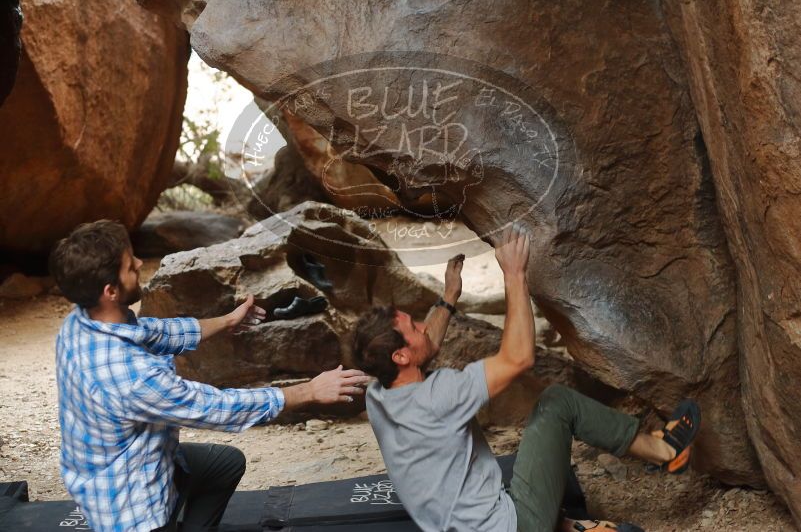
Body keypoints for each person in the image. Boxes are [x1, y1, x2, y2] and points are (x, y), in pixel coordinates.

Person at [351, 224, 701, 532]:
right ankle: (666, 451)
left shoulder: (379, 393)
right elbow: (518, 358)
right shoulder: (441, 395)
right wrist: (514, 275)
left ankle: (570, 526)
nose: (424, 326)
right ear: (400, 356)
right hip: (514, 526)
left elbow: (427, 344)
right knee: (557, 403)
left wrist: (448, 298)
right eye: (414, 327)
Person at [49, 220, 370, 532]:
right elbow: (215, 406)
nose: (139, 262)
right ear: (110, 291)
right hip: (130, 506)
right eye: (130, 266)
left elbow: (155, 332)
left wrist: (228, 321)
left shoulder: (81, 322)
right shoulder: (128, 376)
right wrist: (309, 391)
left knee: (224, 464)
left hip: (119, 464)